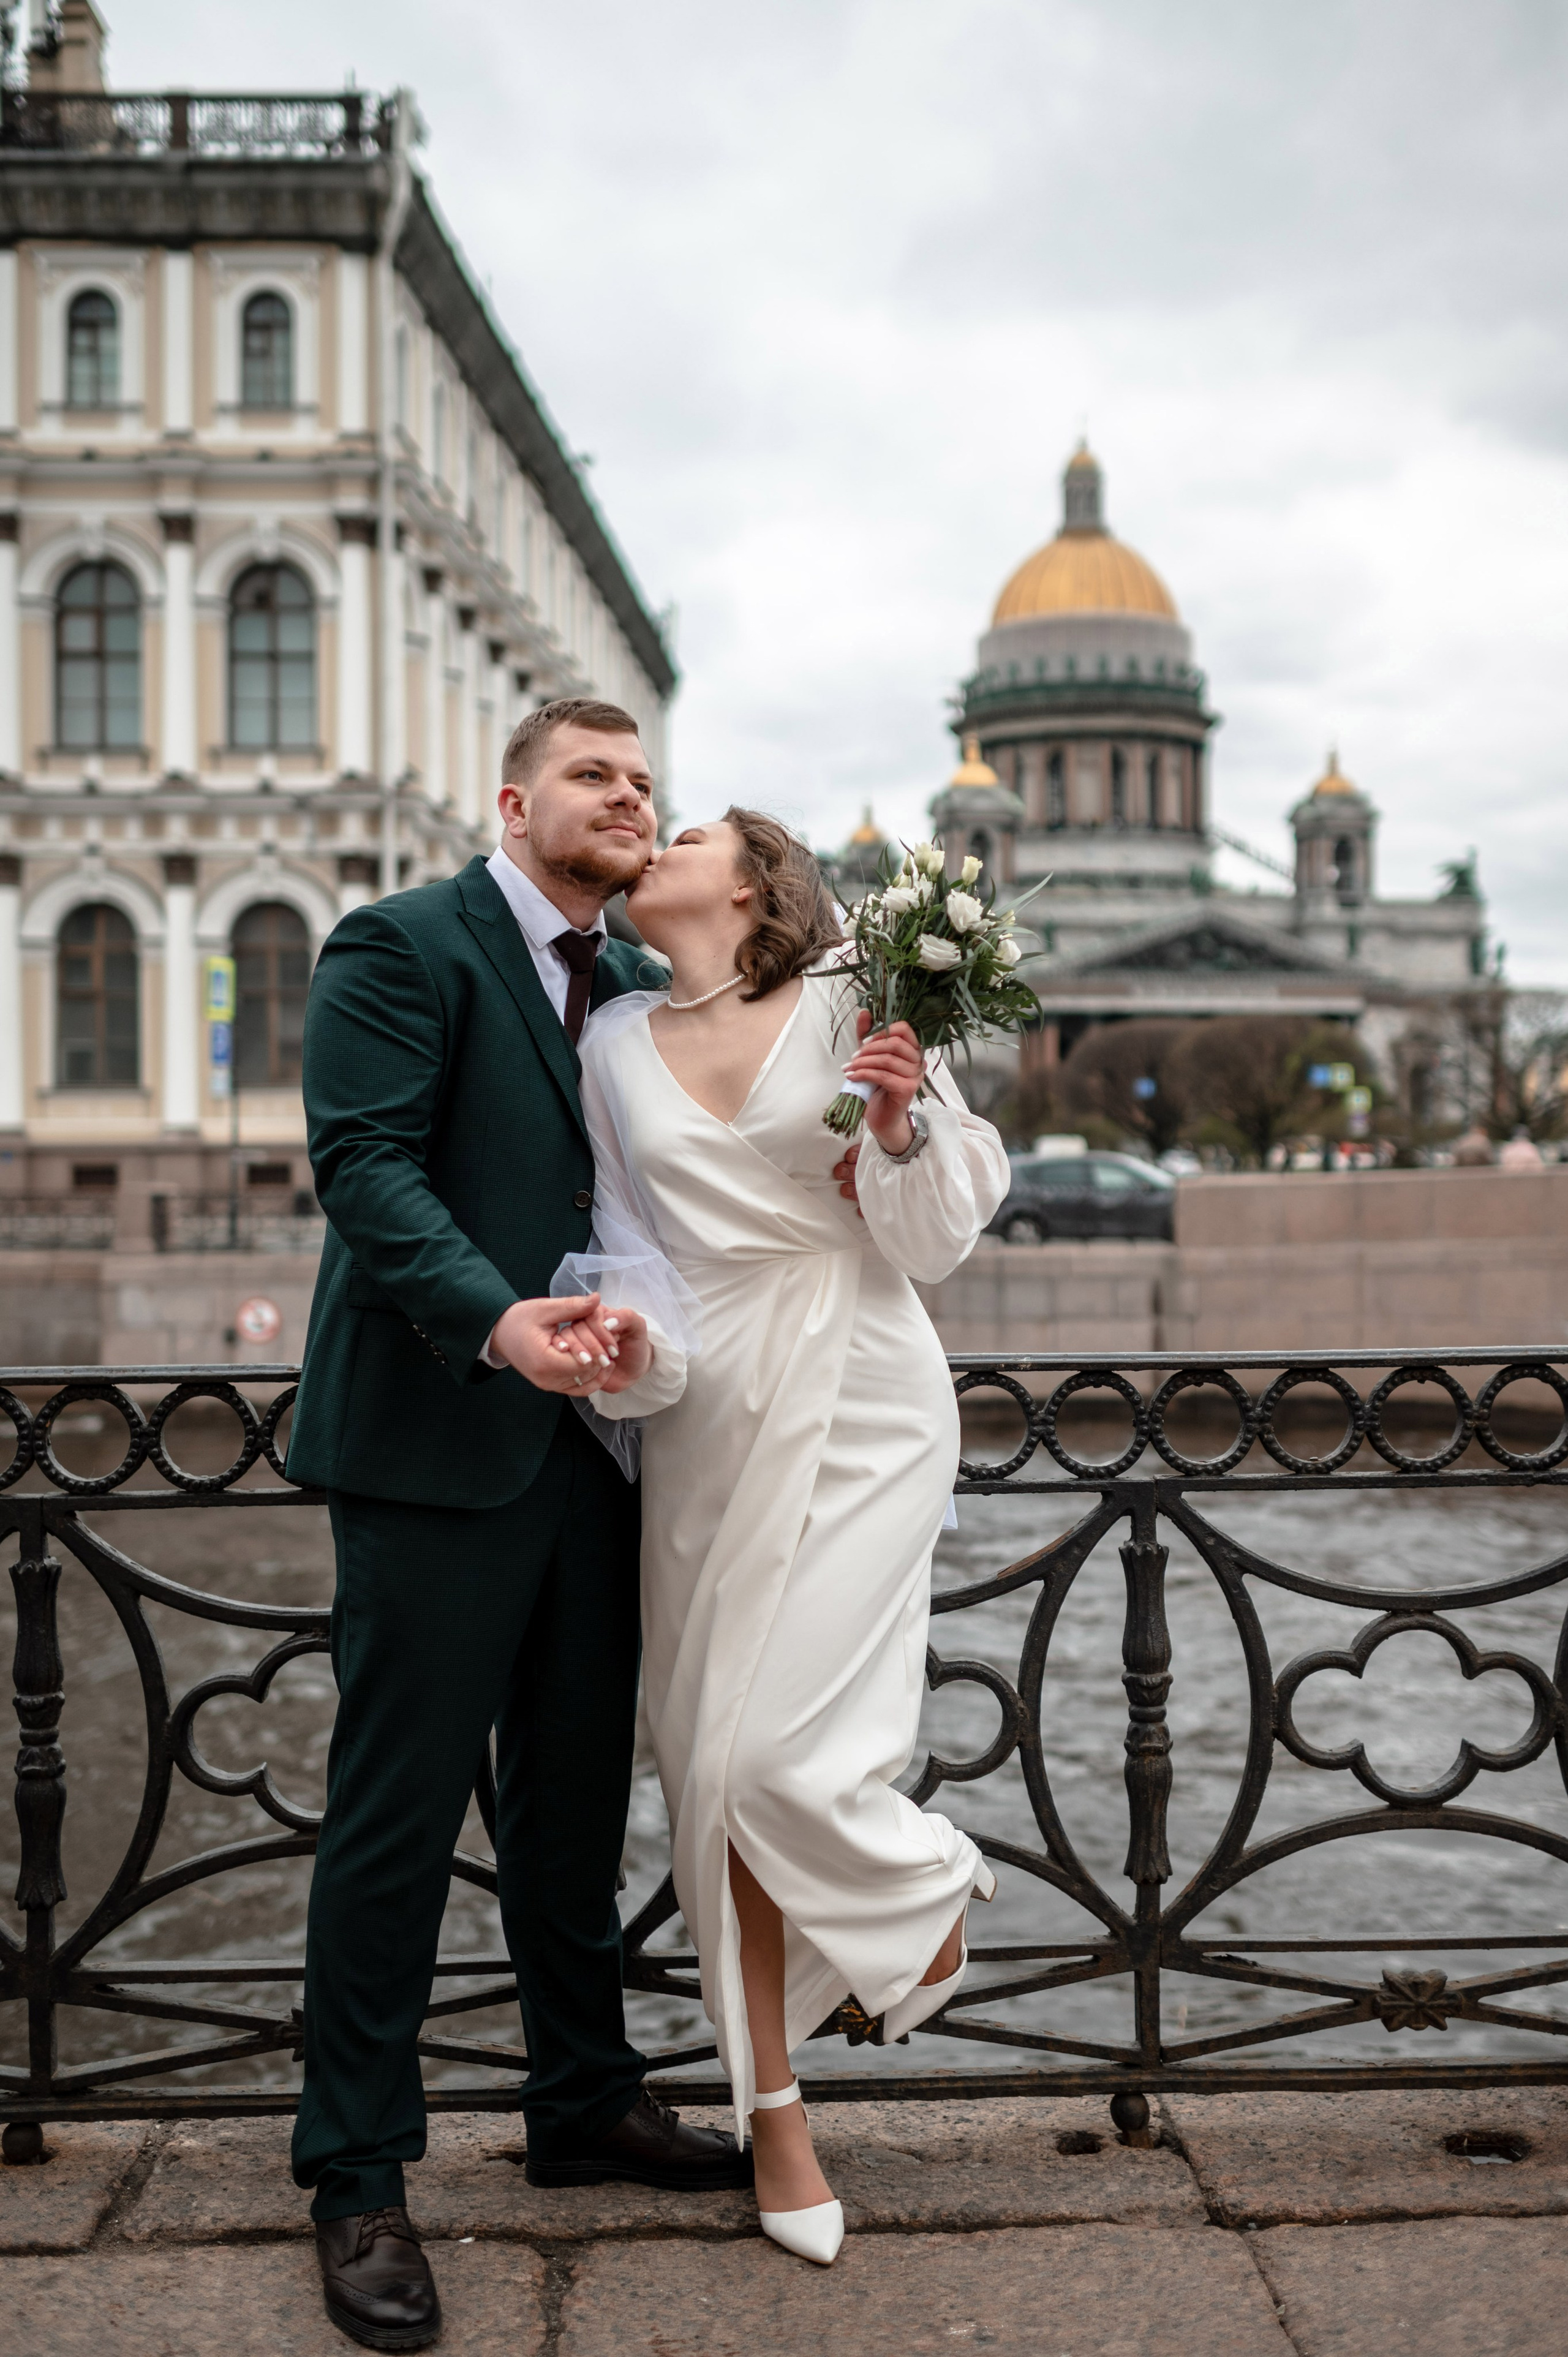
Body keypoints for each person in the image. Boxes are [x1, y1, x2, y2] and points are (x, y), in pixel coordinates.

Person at [285, 701, 752, 2354]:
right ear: (513, 800)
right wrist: (496, 1321)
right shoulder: (401, 944)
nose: (628, 798)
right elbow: (365, 1168)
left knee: (570, 1807)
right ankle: (357, 2175)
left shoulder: (635, 984)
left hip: (601, 1452)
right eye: (592, 776)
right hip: (437, 1440)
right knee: (397, 1820)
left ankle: (583, 2100)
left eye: (645, 782)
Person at [570, 808, 1011, 2266]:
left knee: (768, 1762)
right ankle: (774, 2113)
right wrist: (627, 1344)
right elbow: (629, 1241)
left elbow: (936, 1233)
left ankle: (923, 1897)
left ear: (754, 881)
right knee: (710, 1778)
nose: (658, 832)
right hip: (705, 1417)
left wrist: (897, 1126)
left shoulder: (847, 996)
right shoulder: (611, 1043)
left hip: (864, 1397)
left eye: (689, 825)